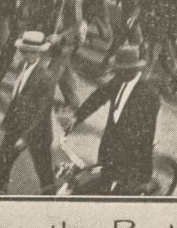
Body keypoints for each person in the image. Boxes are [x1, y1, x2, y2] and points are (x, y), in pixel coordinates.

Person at [65, 45, 161, 195]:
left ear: (132, 70)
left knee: (122, 190)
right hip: (110, 143)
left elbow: (147, 134)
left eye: (119, 68)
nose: (115, 71)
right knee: (105, 179)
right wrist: (77, 117)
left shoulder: (149, 95)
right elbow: (97, 97)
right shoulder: (119, 80)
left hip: (130, 150)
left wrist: (143, 171)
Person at [0, 31, 59, 195]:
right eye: (24, 51)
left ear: (39, 53)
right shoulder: (22, 66)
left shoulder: (45, 77)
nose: (26, 55)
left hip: (37, 130)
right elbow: (18, 96)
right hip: (17, 123)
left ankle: (50, 195)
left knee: (43, 167)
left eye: (30, 52)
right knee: (4, 159)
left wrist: (25, 137)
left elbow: (42, 112)